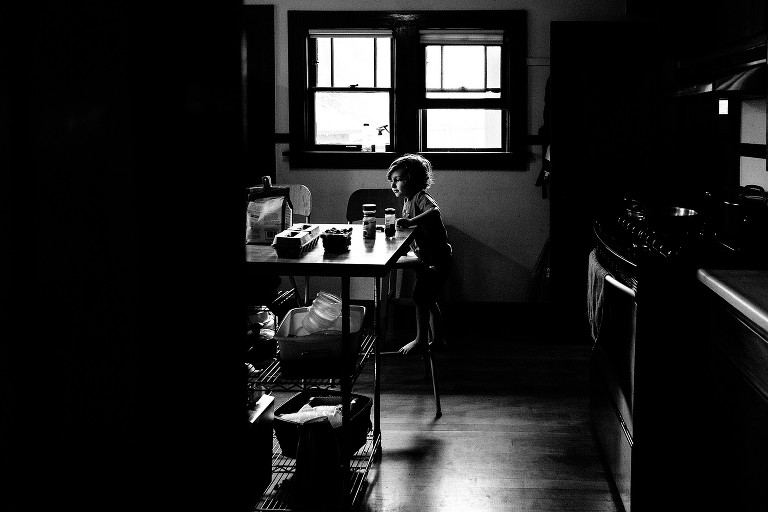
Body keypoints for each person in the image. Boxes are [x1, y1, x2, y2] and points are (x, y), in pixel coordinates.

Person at [387, 154, 452, 355]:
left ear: (413, 178)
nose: (393, 185)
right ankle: (438, 340)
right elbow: (415, 234)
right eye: (392, 181)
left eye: (397, 179)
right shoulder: (407, 200)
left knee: (421, 297)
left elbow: (434, 212)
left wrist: (410, 222)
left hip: (437, 258)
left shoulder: (421, 198)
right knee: (428, 299)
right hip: (427, 258)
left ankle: (420, 340)